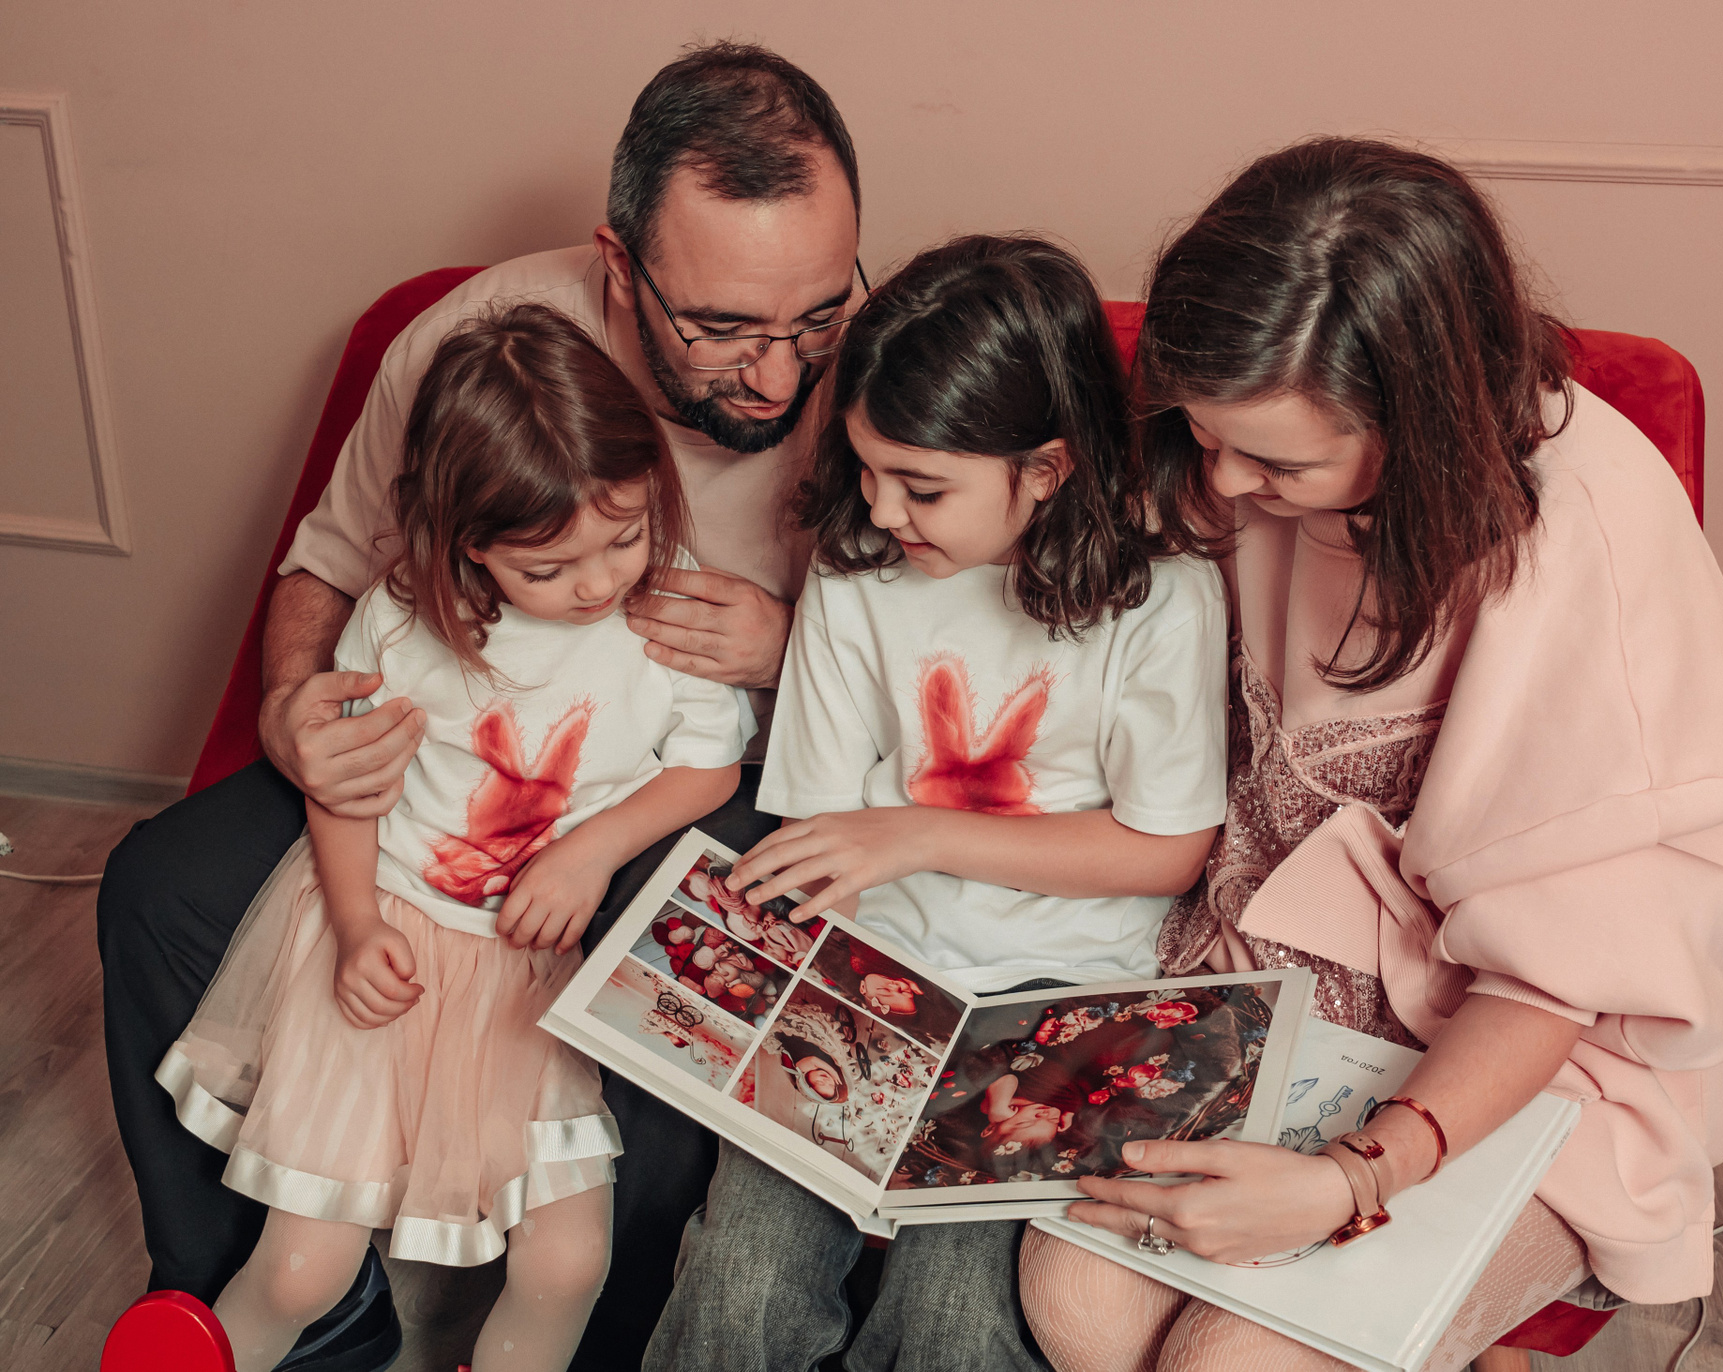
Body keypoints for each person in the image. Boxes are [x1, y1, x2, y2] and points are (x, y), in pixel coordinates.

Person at [96, 41, 862, 1369]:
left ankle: (599, 1335)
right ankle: (263, 1314)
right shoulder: (472, 341)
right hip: (451, 748)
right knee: (156, 886)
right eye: (723, 329)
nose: (779, 378)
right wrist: (293, 712)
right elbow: (332, 562)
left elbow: (968, 670)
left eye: (817, 318)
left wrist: (792, 649)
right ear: (620, 265)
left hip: (720, 769)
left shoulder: (889, 366)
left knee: (664, 957)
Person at [1018, 138, 1723, 1372]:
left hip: (1545, 1048)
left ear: (1419, 418)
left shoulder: (1580, 543)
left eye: (1275, 460)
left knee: (1236, 1362)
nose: (1224, 481)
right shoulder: (1247, 459)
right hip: (1271, 972)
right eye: (1204, 434)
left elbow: (1556, 984)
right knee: (1075, 1303)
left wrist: (1349, 1180)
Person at [642, 234, 1231, 1372]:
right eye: (866, 468)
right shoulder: (857, 568)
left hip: (1066, 994)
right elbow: (818, 828)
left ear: (1048, 468)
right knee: (740, 1279)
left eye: (922, 486)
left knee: (956, 1316)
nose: (883, 507)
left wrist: (915, 834)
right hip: (876, 970)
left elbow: (1166, 850)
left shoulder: (1164, 598)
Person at [155, 304, 744, 1372]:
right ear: (468, 542)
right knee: (302, 1269)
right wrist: (352, 924)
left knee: (567, 1264)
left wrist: (592, 850)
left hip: (533, 976)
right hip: (392, 939)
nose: (599, 582)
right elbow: (349, 787)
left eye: (624, 537)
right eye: (549, 568)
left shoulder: (664, 610)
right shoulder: (402, 621)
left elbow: (709, 766)